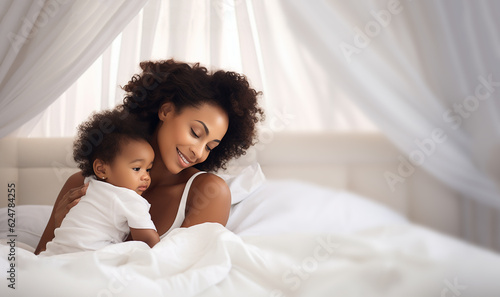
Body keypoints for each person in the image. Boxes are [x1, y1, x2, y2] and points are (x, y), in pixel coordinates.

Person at [35, 59, 264, 255]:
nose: (199, 152)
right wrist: (59, 224)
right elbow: (39, 263)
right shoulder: (82, 184)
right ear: (166, 111)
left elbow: (181, 271)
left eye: (210, 147)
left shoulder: (207, 192)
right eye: (195, 133)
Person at [40, 109, 159, 256]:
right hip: (88, 258)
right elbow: (149, 241)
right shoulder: (130, 199)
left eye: (148, 169)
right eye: (136, 168)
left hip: (54, 253)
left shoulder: (89, 184)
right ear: (101, 169)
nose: (146, 177)